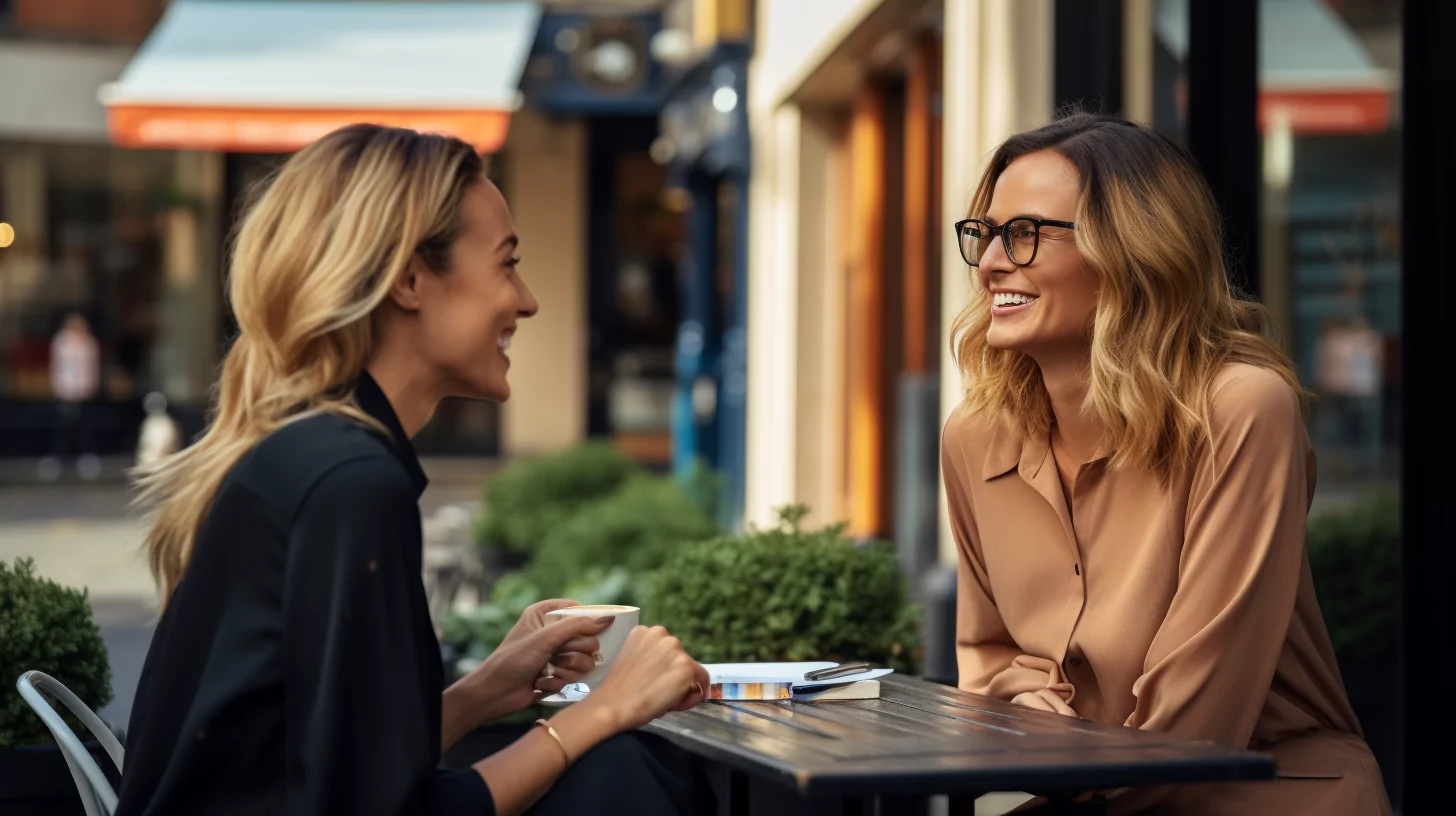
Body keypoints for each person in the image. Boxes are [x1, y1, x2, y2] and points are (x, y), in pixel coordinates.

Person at [119, 124, 714, 816]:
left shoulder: (310, 455)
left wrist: (489, 688)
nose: (526, 300)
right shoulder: (347, 482)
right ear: (409, 279)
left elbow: (339, 770)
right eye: (506, 264)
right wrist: (602, 712)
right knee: (625, 774)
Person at [940, 113, 1389, 814]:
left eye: (1025, 234)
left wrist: (1040, 742)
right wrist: (1020, 702)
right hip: (1089, 795)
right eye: (987, 234)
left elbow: (1196, 724)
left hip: (1263, 793)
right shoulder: (973, 439)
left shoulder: (1240, 409)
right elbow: (985, 663)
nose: (993, 261)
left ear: (1130, 252)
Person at [44, 312, 101, 480]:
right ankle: (58, 458)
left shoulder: (89, 342)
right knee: (63, 426)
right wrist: (57, 385)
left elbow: (92, 366)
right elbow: (56, 365)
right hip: (65, 389)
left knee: (83, 426)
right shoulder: (60, 342)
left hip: (83, 390)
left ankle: (86, 457)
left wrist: (91, 385)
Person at [134, 391, 182, 469]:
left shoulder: (166, 423)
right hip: (147, 465)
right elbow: (143, 446)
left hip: (162, 465)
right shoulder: (149, 422)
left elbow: (167, 445)